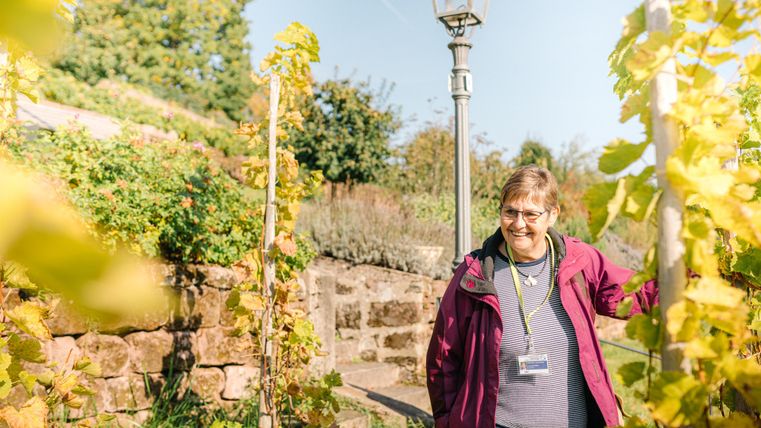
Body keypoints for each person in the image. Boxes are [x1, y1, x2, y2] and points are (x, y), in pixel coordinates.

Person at [426, 165, 658, 428]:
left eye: (531, 214)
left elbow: (635, 293)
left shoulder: (579, 262)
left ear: (553, 215)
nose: (518, 223)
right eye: (510, 211)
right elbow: (443, 360)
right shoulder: (475, 275)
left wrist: (699, 282)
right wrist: (446, 423)